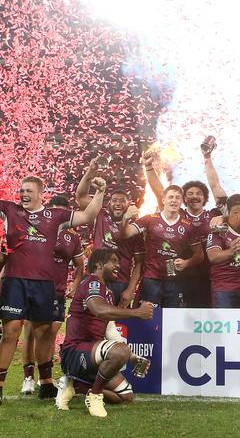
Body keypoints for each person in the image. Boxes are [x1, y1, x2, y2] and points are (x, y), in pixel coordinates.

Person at [0, 175, 106, 403]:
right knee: (10, 333)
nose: (23, 194)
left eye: (28, 191)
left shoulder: (56, 216)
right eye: (21, 191)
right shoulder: (9, 210)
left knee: (43, 333)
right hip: (14, 281)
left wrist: (100, 192)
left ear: (41, 195)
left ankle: (45, 383)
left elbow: (88, 215)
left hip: (43, 284)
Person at [57, 249, 154, 417]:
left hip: (93, 354)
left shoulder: (107, 292)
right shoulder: (92, 283)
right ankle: (94, 395)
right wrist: (137, 313)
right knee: (119, 351)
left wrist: (132, 356)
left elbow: (110, 330)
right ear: (99, 264)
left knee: (125, 396)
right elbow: (99, 310)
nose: (119, 266)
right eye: (114, 261)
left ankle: (75, 386)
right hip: (76, 350)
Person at [144, 147, 225, 308]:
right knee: (178, 314)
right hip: (180, 276)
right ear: (184, 199)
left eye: (199, 193)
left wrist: (207, 158)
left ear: (204, 198)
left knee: (204, 314)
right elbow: (160, 192)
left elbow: (216, 186)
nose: (194, 196)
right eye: (190, 193)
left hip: (209, 276)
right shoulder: (178, 214)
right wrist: (149, 168)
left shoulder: (214, 215)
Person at [21, 196, 84, 396]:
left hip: (57, 289)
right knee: (31, 331)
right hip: (36, 286)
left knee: (50, 333)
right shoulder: (37, 228)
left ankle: (44, 377)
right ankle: (28, 377)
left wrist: (74, 283)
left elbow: (80, 265)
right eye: (53, 210)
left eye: (61, 211)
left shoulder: (72, 237)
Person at [119, 185, 203, 308]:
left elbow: (199, 255)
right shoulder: (149, 219)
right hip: (151, 279)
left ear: (182, 201)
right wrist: (125, 218)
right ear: (163, 200)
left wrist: (187, 263)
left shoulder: (188, 226)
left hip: (174, 281)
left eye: (177, 198)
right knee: (149, 318)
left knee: (172, 319)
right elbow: (125, 234)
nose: (174, 200)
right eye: (171, 197)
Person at [76, 157, 144, 307]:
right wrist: (90, 171)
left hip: (120, 283)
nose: (118, 204)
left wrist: (131, 289)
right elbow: (80, 197)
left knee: (116, 327)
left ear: (128, 205)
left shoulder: (135, 228)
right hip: (95, 278)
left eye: (122, 201)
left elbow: (139, 263)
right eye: (114, 200)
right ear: (109, 203)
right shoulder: (101, 215)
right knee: (92, 323)